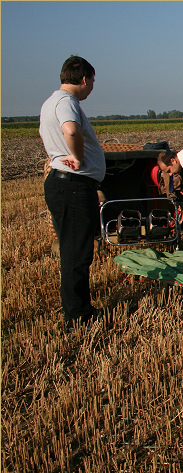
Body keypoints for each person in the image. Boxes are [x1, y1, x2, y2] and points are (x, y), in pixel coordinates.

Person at [40, 55, 106, 329]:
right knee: (77, 254)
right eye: (92, 81)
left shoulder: (49, 102)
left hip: (63, 184)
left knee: (72, 251)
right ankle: (79, 317)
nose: (92, 87)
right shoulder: (67, 102)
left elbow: (45, 135)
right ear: (83, 79)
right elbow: (70, 129)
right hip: (75, 187)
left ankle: (77, 309)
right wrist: (77, 157)